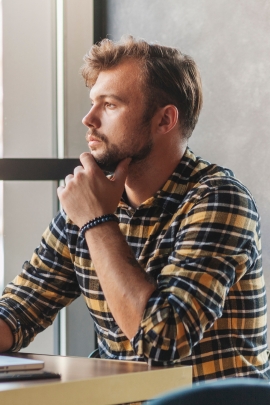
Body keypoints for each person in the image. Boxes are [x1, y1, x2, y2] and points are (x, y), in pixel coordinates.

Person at [0, 36, 269, 382]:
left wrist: (97, 221)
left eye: (109, 105)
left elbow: (162, 340)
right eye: (92, 102)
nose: (88, 119)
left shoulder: (219, 201)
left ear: (164, 120)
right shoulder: (90, 202)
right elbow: (18, 311)